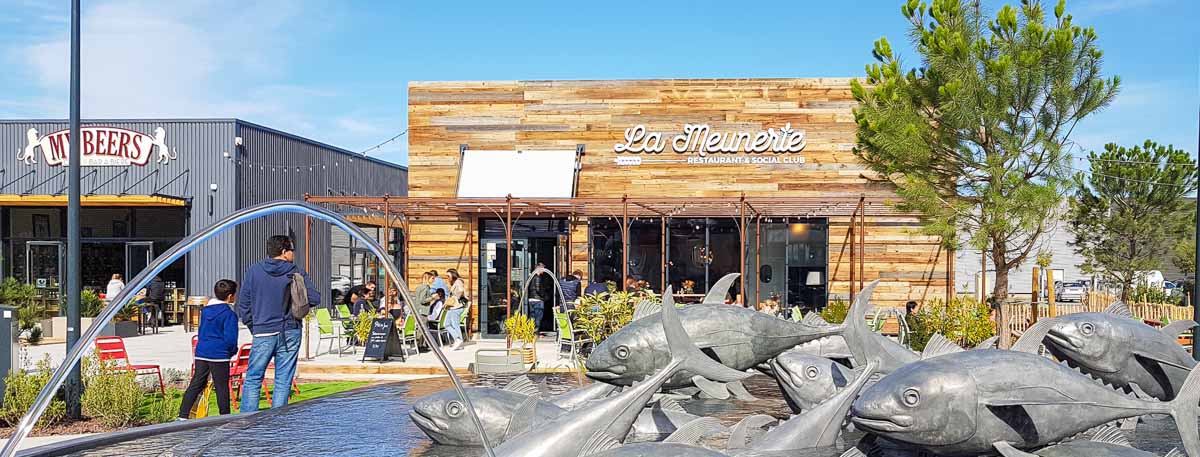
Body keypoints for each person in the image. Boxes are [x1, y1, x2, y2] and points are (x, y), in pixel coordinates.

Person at [236, 235, 319, 413]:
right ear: (284, 252)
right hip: (290, 330)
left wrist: (254, 326)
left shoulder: (254, 271)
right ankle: (278, 422)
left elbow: (243, 304)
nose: (293, 254)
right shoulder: (295, 271)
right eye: (292, 251)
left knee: (253, 378)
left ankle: (247, 420)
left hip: (263, 331)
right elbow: (314, 297)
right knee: (283, 379)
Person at [178, 279, 239, 420]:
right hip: (219, 354)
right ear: (230, 296)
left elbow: (202, 331)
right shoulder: (229, 314)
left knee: (196, 383)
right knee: (221, 386)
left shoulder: (205, 311)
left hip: (202, 352)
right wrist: (231, 351)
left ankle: (182, 415)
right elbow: (231, 338)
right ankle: (224, 417)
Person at [444, 268, 468, 350]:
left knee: (454, 324)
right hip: (452, 307)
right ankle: (458, 340)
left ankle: (458, 340)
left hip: (456, 307)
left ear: (452, 274)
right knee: (446, 324)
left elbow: (461, 290)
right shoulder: (455, 282)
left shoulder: (458, 281)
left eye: (448, 275)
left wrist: (456, 298)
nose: (447, 277)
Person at [527, 263, 552, 331]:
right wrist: (544, 296)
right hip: (537, 299)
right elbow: (538, 289)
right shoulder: (537, 277)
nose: (544, 271)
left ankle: (530, 331)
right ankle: (536, 331)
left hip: (531, 299)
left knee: (532, 316)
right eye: (543, 269)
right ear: (539, 268)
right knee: (538, 317)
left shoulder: (531, 277)